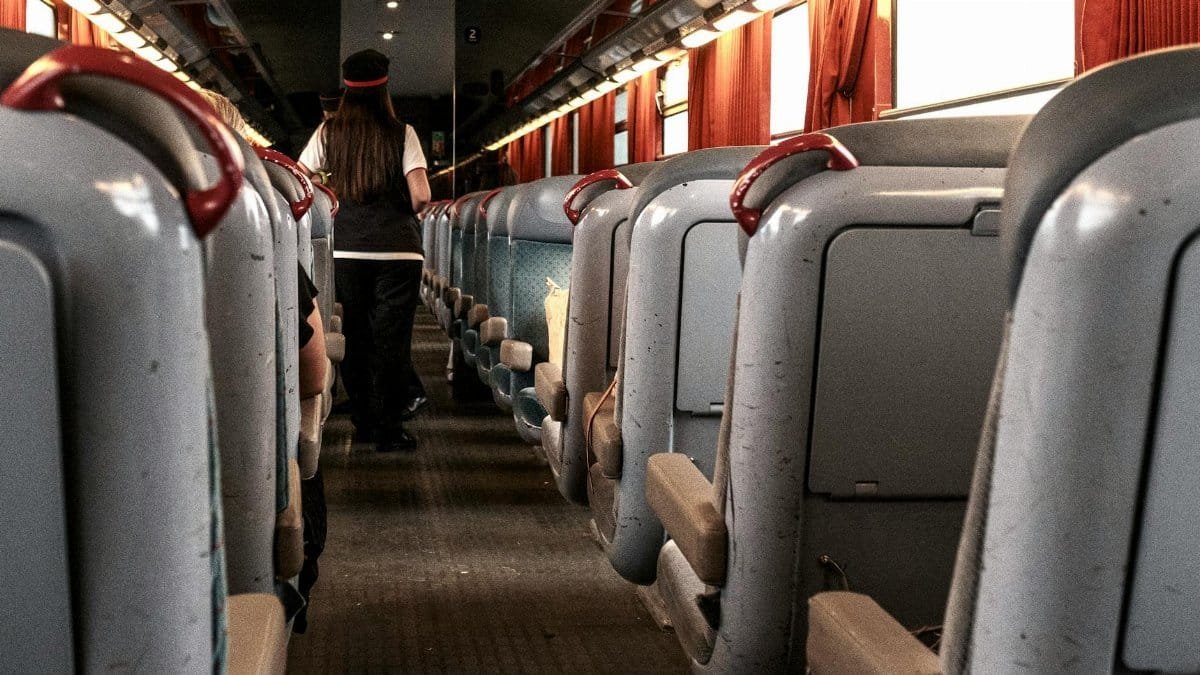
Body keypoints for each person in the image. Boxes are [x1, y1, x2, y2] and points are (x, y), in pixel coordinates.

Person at [298, 49, 431, 452]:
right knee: (392, 341)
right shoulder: (402, 133)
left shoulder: (328, 133)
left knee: (355, 335)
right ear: (384, 89)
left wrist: (336, 195)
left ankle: (362, 419)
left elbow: (298, 179)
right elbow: (422, 195)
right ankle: (389, 429)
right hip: (399, 252)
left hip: (348, 250)